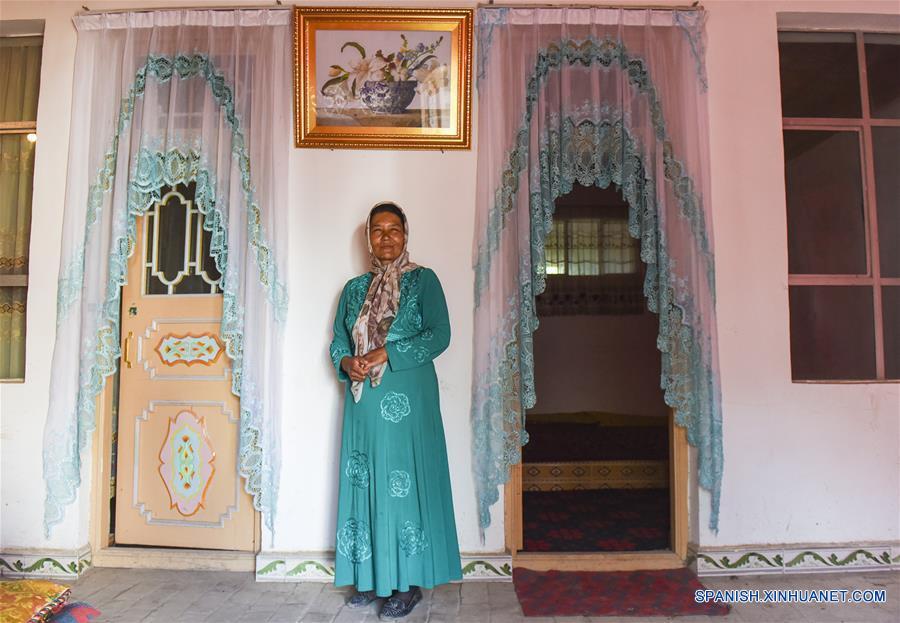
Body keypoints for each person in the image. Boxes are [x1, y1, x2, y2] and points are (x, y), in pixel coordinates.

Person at [329, 201, 462, 620]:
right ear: (368, 238)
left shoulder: (424, 281)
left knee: (402, 486)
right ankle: (370, 579)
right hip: (364, 404)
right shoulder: (353, 289)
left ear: (407, 234)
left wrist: (388, 351)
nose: (386, 237)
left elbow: (440, 334)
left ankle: (406, 584)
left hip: (408, 405)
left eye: (394, 229)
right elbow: (337, 341)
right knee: (367, 484)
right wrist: (346, 362)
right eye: (377, 230)